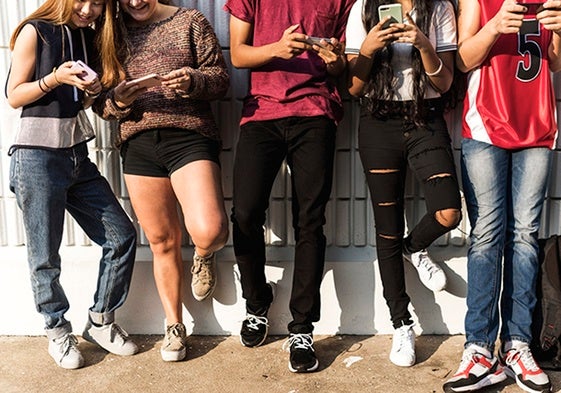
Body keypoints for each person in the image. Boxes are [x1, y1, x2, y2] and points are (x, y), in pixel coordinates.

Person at [93, 0, 229, 362]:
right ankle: (174, 326)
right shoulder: (109, 33)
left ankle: (204, 254)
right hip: (138, 143)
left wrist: (192, 80)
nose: (135, 1)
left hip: (189, 135)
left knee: (211, 229)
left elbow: (220, 79)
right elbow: (99, 104)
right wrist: (117, 101)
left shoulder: (191, 22)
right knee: (161, 241)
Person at [224, 0, 355, 373]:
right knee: (246, 212)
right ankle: (257, 300)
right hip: (261, 111)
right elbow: (237, 54)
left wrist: (334, 61)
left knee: (310, 221)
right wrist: (276, 50)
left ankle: (302, 328)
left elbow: (344, 61)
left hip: (315, 112)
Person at [6, 0, 138, 370]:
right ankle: (56, 329)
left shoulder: (89, 38)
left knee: (121, 236)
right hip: (36, 157)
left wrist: (95, 89)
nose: (87, 8)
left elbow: (82, 103)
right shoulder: (35, 31)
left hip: (77, 154)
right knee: (44, 257)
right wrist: (53, 79)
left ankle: (100, 321)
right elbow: (14, 94)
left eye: (97, 3)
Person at [442, 1, 561, 392]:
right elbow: (461, 59)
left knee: (525, 236)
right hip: (486, 127)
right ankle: (478, 348)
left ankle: (517, 345)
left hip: (537, 128)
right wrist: (494, 26)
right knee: (486, 237)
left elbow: (555, 63)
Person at [345, 0, 462, 367]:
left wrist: (423, 43)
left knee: (448, 212)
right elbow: (352, 87)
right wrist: (368, 48)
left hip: (425, 117)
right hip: (377, 118)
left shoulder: (439, 7)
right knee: (387, 230)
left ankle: (415, 247)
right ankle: (401, 324)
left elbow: (443, 83)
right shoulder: (363, 7)